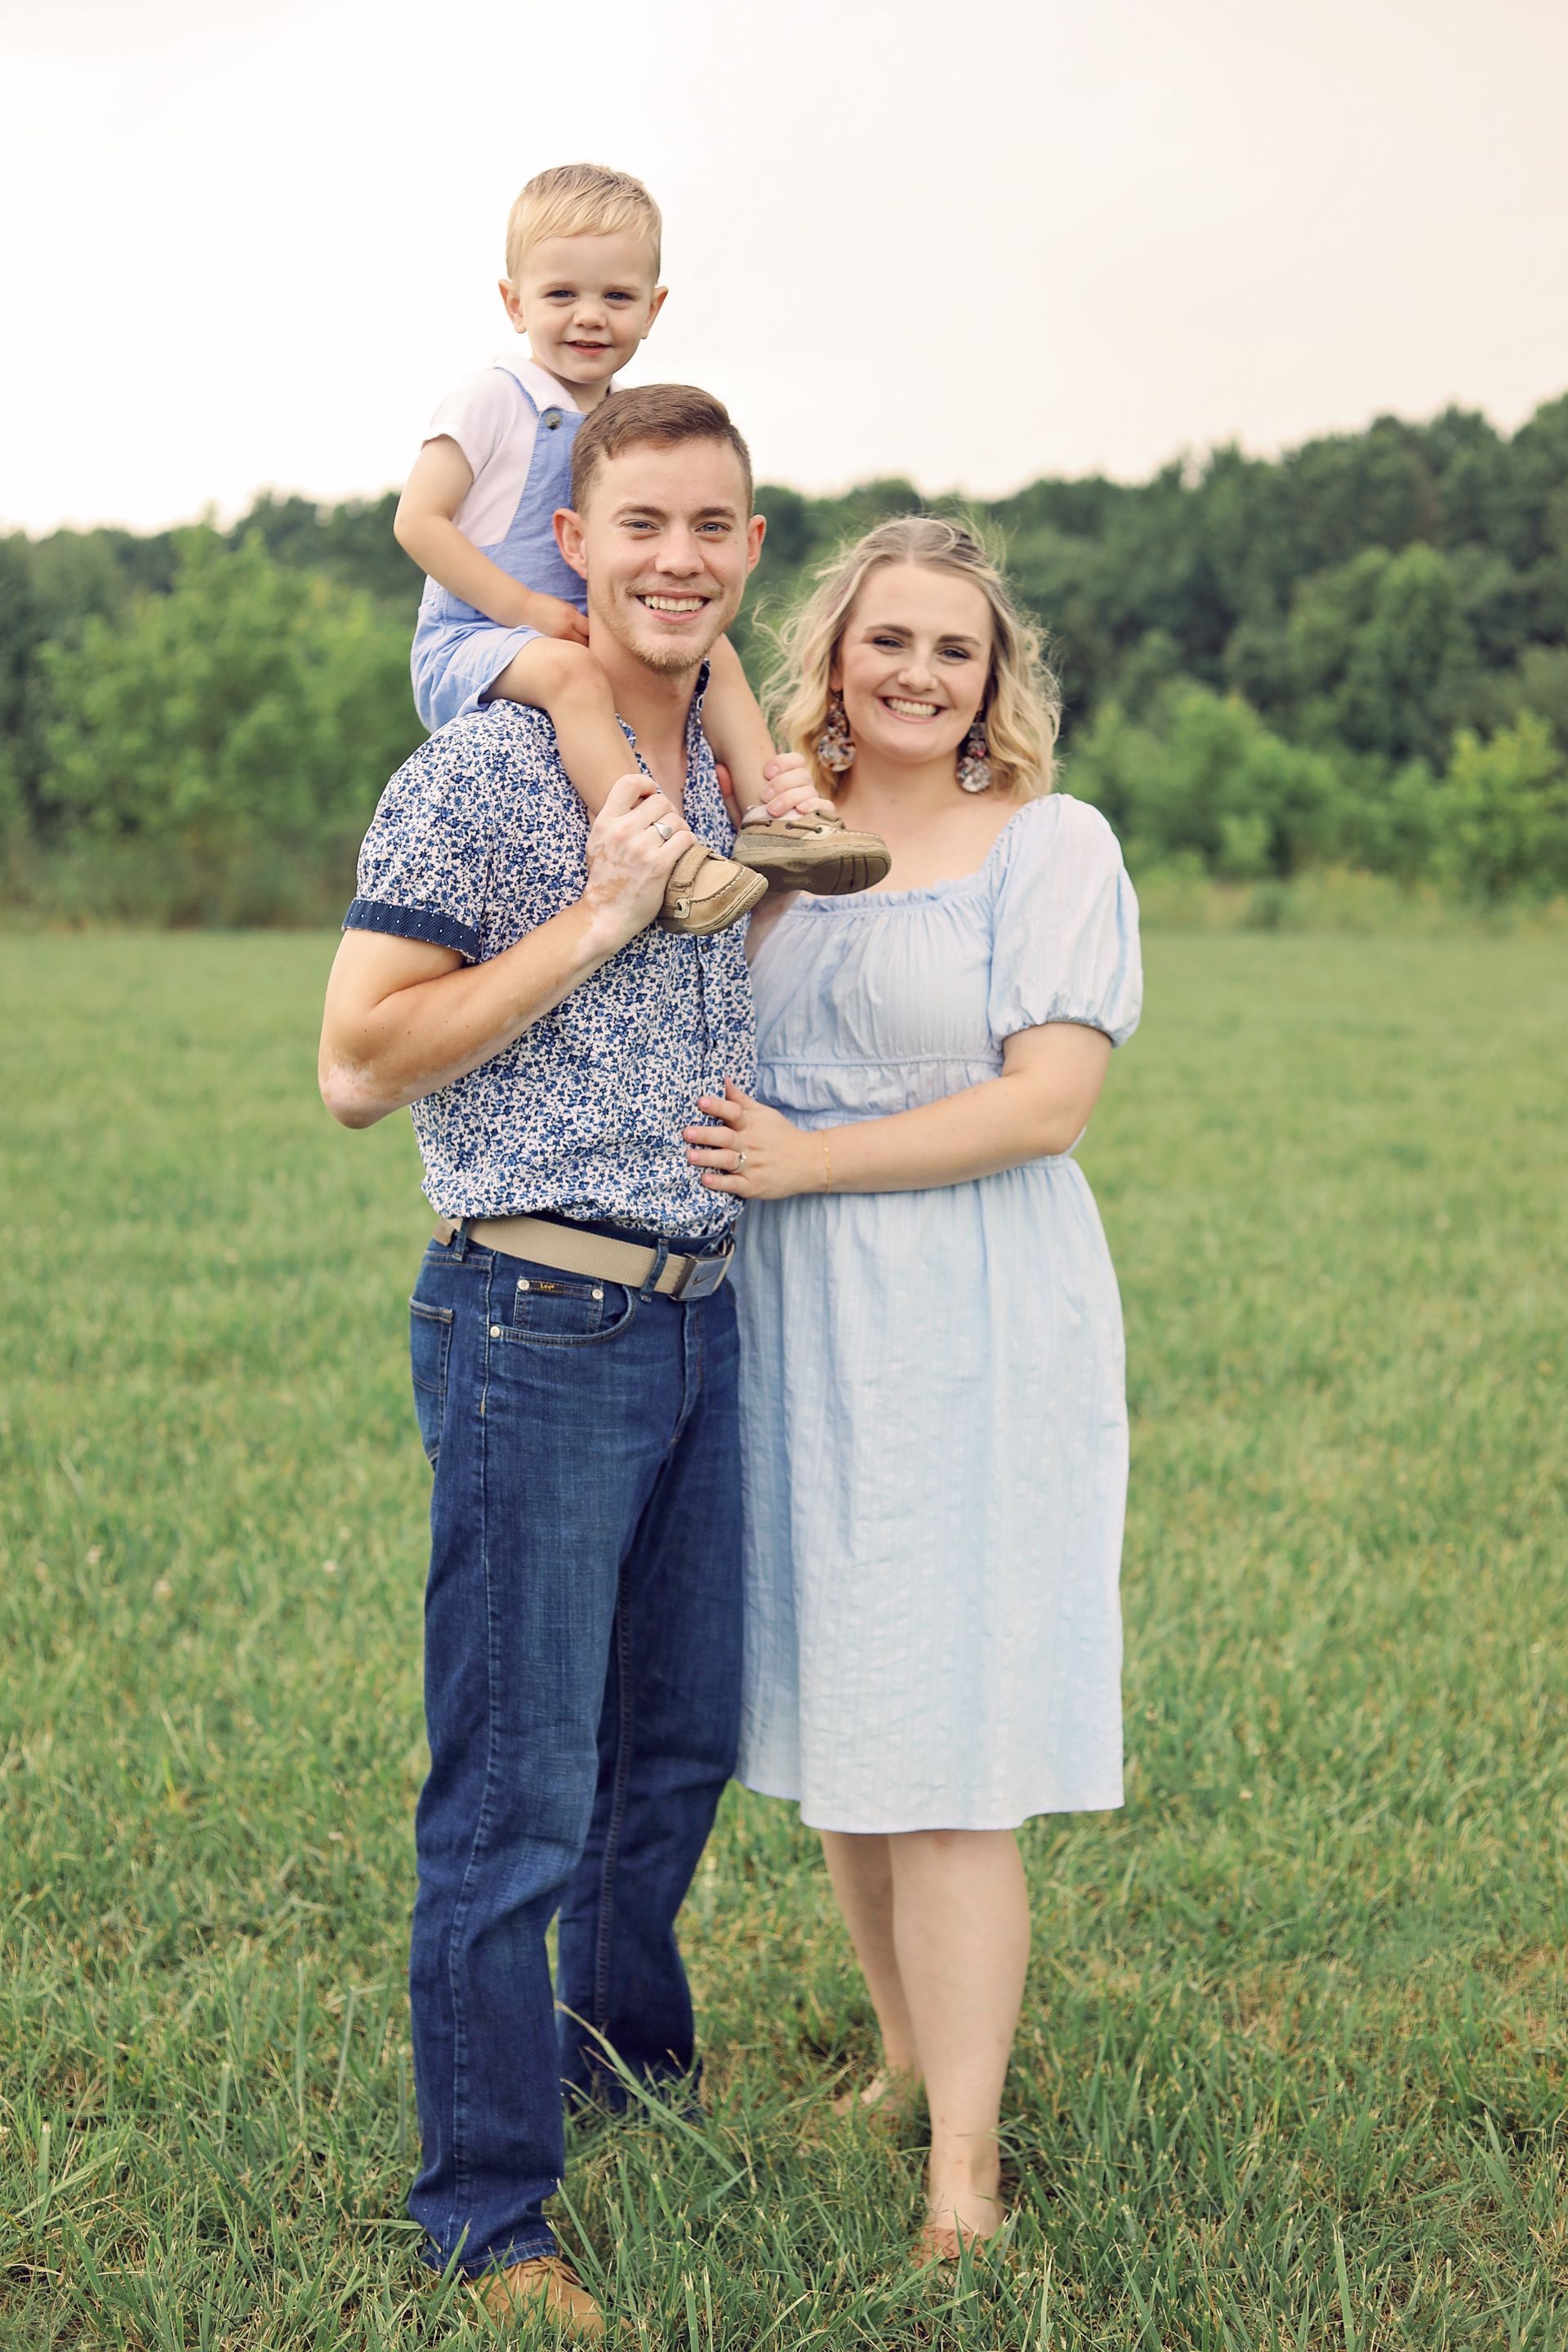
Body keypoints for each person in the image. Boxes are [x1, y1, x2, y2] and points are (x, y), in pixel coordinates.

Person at [318, 385, 820, 2341]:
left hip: (706, 1316)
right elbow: (359, 1066)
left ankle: (626, 2075)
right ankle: (491, 2213)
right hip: (536, 1321)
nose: (678, 558)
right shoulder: (484, 770)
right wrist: (604, 916)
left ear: (747, 551)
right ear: (577, 546)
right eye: (643, 527)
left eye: (715, 527)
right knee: (516, 1795)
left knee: (672, 1753)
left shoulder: (733, 779)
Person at [681, 517, 1143, 2261]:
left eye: (957, 649)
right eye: (889, 639)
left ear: (992, 681)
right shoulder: (783, 834)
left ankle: (967, 2169)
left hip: (968, 1310)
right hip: (796, 1318)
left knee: (947, 1747)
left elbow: (1048, 1104)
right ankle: (894, 2054)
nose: (919, 672)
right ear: (838, 654)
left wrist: (812, 1163)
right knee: (849, 1717)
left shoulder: (1051, 844)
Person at [394, 160, 888, 935]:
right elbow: (417, 523)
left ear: (654, 309)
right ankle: (664, 857)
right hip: (474, 638)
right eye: (562, 295)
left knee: (712, 650)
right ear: (512, 301)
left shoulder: (619, 422)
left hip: (565, 629)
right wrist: (528, 611)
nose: (589, 317)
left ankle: (774, 816)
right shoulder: (494, 396)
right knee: (572, 673)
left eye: (616, 297)